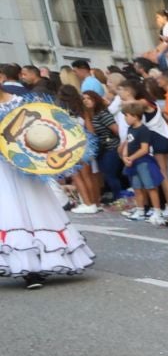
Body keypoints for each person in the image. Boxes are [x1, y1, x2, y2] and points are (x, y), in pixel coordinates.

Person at [0, 92, 95, 287]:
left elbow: (42, 130)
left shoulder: (22, 103)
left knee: (36, 212)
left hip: (27, 170)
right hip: (3, 172)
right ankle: (18, 263)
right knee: (8, 212)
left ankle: (35, 268)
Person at [119, 101, 168, 222]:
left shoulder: (143, 130)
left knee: (150, 186)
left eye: (127, 115)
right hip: (133, 163)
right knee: (137, 187)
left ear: (135, 116)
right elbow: (127, 143)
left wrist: (131, 158)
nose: (125, 118)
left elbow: (144, 149)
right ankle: (140, 210)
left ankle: (157, 211)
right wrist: (125, 156)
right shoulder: (131, 129)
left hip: (143, 162)